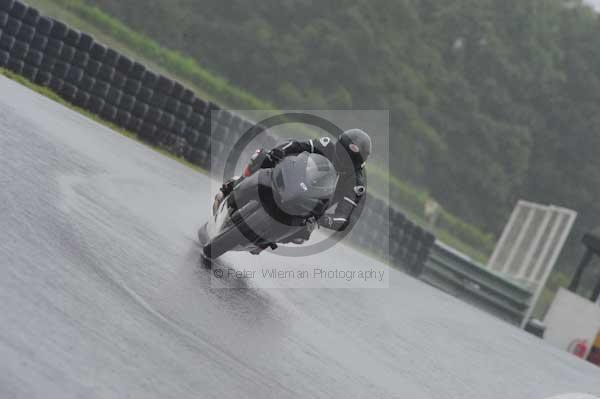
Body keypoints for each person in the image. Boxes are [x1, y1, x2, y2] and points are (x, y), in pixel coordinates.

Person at [212, 128, 371, 244]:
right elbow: (298, 146)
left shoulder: (357, 183)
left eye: (348, 157)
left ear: (357, 163)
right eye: (342, 152)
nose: (342, 158)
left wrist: (325, 220)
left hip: (314, 207)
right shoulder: (327, 145)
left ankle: (268, 239)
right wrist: (279, 151)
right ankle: (232, 186)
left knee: (301, 236)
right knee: (263, 156)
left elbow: (343, 216)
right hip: (296, 178)